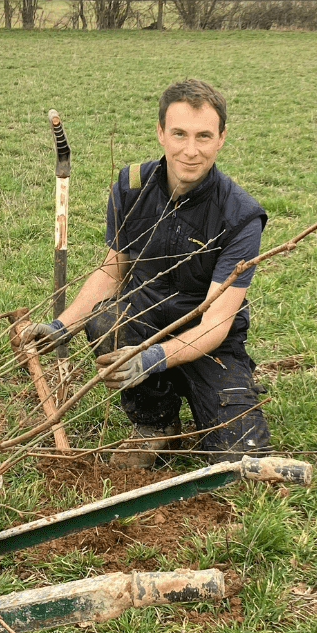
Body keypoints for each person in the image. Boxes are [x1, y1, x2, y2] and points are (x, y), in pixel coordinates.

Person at [24, 78, 270, 466]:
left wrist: (154, 359)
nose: (191, 151)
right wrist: (62, 326)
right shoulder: (131, 187)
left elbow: (216, 323)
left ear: (221, 138)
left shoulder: (240, 215)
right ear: (160, 133)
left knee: (238, 457)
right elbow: (112, 271)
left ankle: (209, 389)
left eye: (203, 136)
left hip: (209, 341)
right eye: (179, 134)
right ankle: (156, 425)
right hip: (144, 322)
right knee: (105, 317)